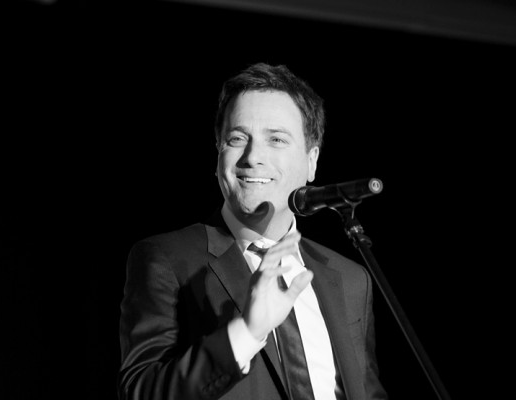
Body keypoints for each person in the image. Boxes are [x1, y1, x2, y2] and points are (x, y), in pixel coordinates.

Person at [118, 63, 387, 400]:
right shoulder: (166, 258)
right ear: (218, 153)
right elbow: (142, 392)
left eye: (276, 139)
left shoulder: (352, 279)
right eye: (237, 138)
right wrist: (247, 333)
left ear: (312, 161)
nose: (253, 156)